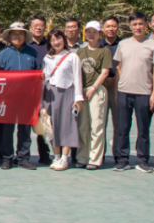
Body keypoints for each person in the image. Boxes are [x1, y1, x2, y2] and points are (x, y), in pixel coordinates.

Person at [112, 11, 154, 172]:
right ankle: (123, 159)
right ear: (130, 26)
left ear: (146, 25)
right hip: (124, 91)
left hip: (144, 93)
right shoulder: (123, 44)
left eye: (140, 24)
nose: (138, 27)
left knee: (143, 129)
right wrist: (116, 91)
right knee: (123, 128)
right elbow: (118, 68)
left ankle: (142, 160)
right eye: (134, 24)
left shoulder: (153, 45)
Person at [0, 23, 40, 170]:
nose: (17, 36)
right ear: (9, 36)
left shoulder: (32, 53)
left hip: (27, 98)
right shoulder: (2, 54)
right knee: (7, 129)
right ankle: (7, 158)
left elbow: (38, 73)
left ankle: (23, 158)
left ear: (25, 36)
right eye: (14, 34)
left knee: (25, 130)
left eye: (20, 34)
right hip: (8, 98)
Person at [42, 30, 83, 171]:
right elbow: (44, 77)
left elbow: (77, 78)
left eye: (58, 39)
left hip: (67, 92)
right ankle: (56, 157)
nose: (56, 42)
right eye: (52, 40)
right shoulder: (47, 58)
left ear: (64, 40)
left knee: (67, 124)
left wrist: (78, 98)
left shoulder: (72, 57)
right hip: (50, 93)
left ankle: (65, 159)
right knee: (52, 125)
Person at [74, 21, 111, 170]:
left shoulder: (104, 51)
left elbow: (105, 72)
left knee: (96, 125)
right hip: (82, 91)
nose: (91, 35)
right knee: (83, 126)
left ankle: (95, 159)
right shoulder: (80, 51)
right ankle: (82, 157)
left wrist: (93, 89)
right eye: (89, 31)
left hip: (97, 90)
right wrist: (80, 91)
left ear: (99, 34)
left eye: (94, 32)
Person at [27, 14, 52, 165]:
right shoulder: (25, 46)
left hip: (48, 89)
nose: (38, 28)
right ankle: (22, 155)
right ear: (30, 28)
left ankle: (45, 154)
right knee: (25, 123)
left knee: (45, 121)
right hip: (28, 91)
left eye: (41, 25)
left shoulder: (51, 45)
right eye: (35, 25)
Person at [100, 15, 121, 163]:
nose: (111, 29)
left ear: (118, 27)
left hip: (118, 88)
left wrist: (116, 80)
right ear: (103, 29)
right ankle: (99, 155)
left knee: (119, 123)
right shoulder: (99, 45)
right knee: (100, 123)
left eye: (113, 26)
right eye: (108, 26)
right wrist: (105, 79)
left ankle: (119, 155)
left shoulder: (123, 45)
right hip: (102, 86)